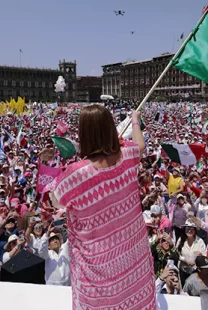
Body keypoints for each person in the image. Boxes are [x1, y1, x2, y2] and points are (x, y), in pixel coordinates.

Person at [51, 106, 156, 310]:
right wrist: (135, 119)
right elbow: (140, 144)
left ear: (84, 134)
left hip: (97, 273)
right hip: (133, 262)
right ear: (110, 128)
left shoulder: (75, 175)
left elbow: (56, 201)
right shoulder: (128, 155)